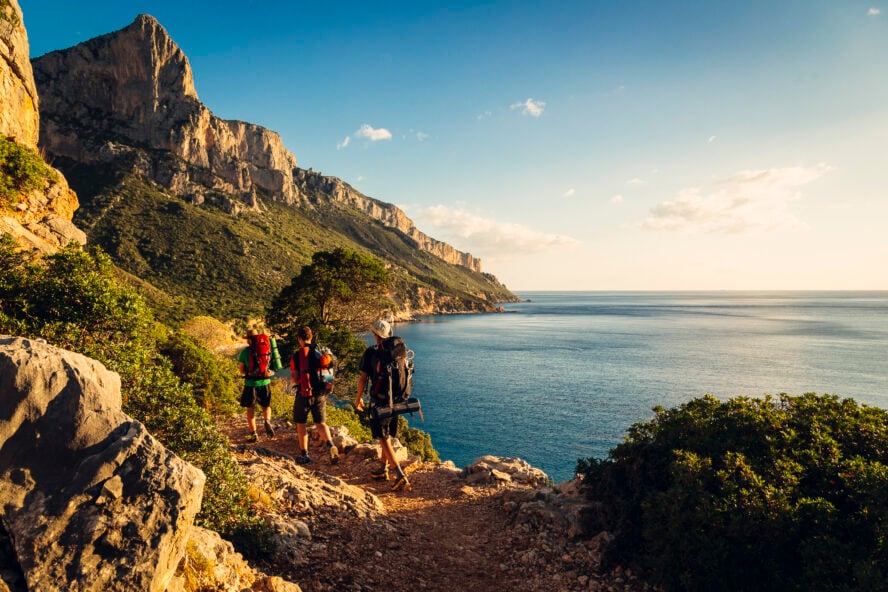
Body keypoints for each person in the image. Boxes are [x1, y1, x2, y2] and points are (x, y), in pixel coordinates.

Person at [355, 319, 410, 491]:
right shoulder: (398, 352)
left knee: (382, 436)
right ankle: (382, 469)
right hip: (396, 399)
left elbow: (363, 378)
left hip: (380, 400)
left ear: (376, 335)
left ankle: (399, 474)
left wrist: (358, 398)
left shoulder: (372, 352)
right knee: (388, 434)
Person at [291, 325, 339, 465]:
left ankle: (305, 455)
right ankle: (330, 445)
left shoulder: (297, 355)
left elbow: (295, 378)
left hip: (304, 393)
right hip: (320, 394)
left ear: (299, 339)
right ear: (311, 337)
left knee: (301, 424)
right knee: (321, 423)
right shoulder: (321, 352)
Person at [238, 328, 283, 443]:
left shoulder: (245, 352)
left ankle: (254, 433)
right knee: (266, 406)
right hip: (265, 382)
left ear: (249, 340)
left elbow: (242, 371)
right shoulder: (267, 349)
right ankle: (267, 420)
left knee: (250, 409)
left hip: (250, 384)